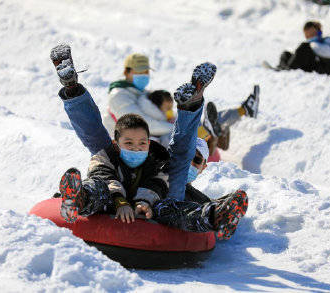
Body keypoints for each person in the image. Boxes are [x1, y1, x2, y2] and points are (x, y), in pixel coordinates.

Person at [50, 44, 248, 240]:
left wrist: (217, 208)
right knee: (97, 184)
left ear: (205, 167)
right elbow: (102, 170)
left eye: (142, 144)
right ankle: (78, 199)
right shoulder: (111, 154)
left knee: (171, 206)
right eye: (129, 144)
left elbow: (165, 183)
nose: (136, 149)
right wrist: (120, 201)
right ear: (118, 144)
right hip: (110, 199)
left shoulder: (158, 163)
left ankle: (214, 218)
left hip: (150, 207)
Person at [103, 53, 174, 138]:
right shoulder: (118, 95)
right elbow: (140, 124)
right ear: (126, 72)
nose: (144, 75)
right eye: (139, 71)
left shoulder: (143, 93)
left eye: (146, 72)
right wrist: (176, 128)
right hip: (120, 147)